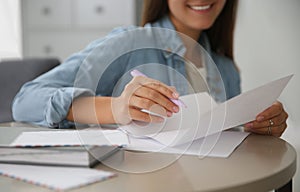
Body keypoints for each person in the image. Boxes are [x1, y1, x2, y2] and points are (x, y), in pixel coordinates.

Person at [12, 0, 288, 138]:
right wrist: (116, 108)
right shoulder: (128, 43)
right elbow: (26, 99)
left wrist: (258, 129)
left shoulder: (227, 70)